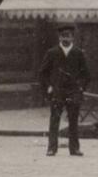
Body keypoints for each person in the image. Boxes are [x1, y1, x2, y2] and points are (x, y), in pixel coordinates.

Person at [37, 22, 90, 157]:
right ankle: (51, 148)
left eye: (68, 36)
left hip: (73, 91)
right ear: (59, 38)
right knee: (55, 119)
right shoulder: (52, 53)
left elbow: (86, 75)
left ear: (73, 38)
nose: (65, 39)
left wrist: (81, 88)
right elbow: (42, 73)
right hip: (57, 91)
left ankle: (74, 149)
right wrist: (48, 86)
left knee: (73, 120)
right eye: (62, 36)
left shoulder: (78, 53)